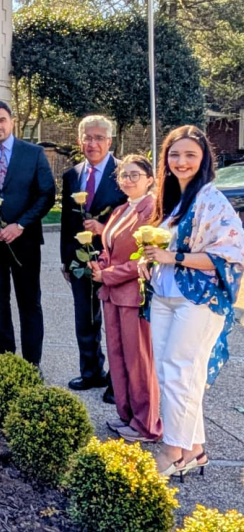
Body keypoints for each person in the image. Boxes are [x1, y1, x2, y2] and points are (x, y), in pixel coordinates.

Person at [139, 126, 244, 478]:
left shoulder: (212, 200)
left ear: (204, 160)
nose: (181, 162)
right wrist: (148, 260)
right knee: (173, 373)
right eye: (174, 154)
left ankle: (174, 452)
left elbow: (231, 254)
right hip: (165, 295)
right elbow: (162, 247)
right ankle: (195, 448)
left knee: (180, 371)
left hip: (197, 300)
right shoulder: (171, 200)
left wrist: (175, 258)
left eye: (190, 155)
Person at [0, 100, 55, 365]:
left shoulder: (33, 154)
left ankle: (31, 364)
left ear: (12, 121)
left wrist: (21, 224)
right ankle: (7, 361)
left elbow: (46, 194)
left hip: (24, 241)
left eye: (2, 120)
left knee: (29, 303)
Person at [90, 155, 162, 443]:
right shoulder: (121, 209)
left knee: (139, 361)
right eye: (123, 175)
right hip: (112, 295)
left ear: (149, 179)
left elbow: (146, 259)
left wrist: (107, 274)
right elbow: (109, 247)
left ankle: (147, 425)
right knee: (118, 357)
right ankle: (127, 415)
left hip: (134, 295)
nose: (128, 180)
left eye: (134, 175)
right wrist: (99, 263)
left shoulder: (152, 209)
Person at [60, 116, 126, 394]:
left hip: (115, 260)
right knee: (85, 319)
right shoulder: (71, 176)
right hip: (81, 261)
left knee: (116, 321)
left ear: (109, 141)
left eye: (99, 138)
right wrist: (66, 260)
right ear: (80, 141)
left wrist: (105, 228)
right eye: (88, 137)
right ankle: (91, 372)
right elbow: (67, 221)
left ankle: (117, 382)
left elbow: (133, 218)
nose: (93, 143)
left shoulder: (124, 173)